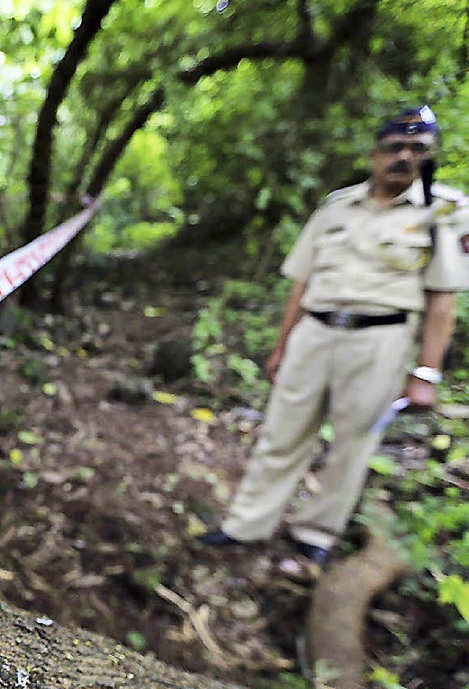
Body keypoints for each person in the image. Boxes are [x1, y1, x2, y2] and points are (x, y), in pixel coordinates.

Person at [200, 107, 469, 566]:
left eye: (418, 149)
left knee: (354, 440)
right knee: (282, 432)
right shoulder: (336, 207)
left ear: (430, 157)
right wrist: (283, 345)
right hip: (316, 331)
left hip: (381, 341)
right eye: (394, 147)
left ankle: (316, 532)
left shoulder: (443, 212)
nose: (404, 157)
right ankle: (246, 524)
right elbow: (301, 283)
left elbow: (442, 300)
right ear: (375, 154)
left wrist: (426, 371)